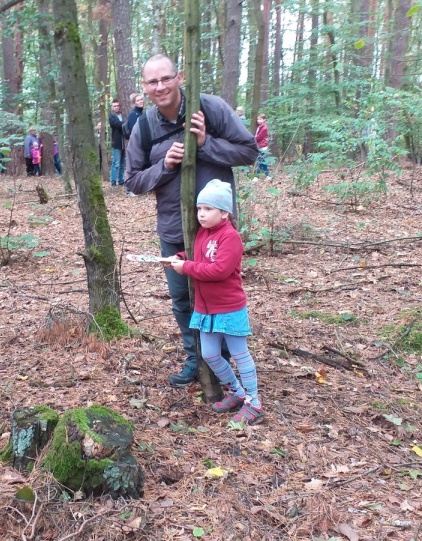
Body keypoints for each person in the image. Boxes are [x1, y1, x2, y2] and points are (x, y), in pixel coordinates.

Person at [124, 53, 258, 387]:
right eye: (152, 82)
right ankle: (195, 358)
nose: (160, 87)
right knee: (183, 298)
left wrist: (205, 143)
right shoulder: (143, 126)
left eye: (165, 78)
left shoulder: (210, 109)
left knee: (220, 297)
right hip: (173, 229)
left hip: (217, 231)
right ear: (145, 87)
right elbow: (132, 181)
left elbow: (248, 151)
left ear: (179, 77)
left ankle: (222, 364)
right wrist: (164, 166)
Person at [164, 180, 263, 424]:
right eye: (199, 209)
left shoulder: (230, 237)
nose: (202, 214)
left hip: (229, 307)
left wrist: (185, 267)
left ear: (224, 212)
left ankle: (254, 402)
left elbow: (219, 269)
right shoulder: (202, 233)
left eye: (208, 209)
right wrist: (179, 257)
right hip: (206, 308)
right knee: (209, 354)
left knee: (240, 354)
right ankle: (237, 392)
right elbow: (197, 256)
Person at [108, 99, 126, 186]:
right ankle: (113, 181)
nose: (116, 107)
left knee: (122, 163)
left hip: (124, 142)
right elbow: (118, 124)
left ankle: (121, 180)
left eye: (118, 106)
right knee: (116, 163)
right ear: (112, 107)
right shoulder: (111, 116)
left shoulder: (123, 114)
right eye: (114, 106)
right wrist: (124, 123)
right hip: (117, 142)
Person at [255, 114, 270, 178]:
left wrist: (252, 140)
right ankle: (267, 176)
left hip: (262, 146)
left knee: (260, 161)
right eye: (258, 119)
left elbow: (258, 137)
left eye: (260, 119)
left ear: (264, 120)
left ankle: (258, 176)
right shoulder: (260, 127)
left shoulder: (264, 128)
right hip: (260, 145)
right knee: (262, 161)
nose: (258, 120)